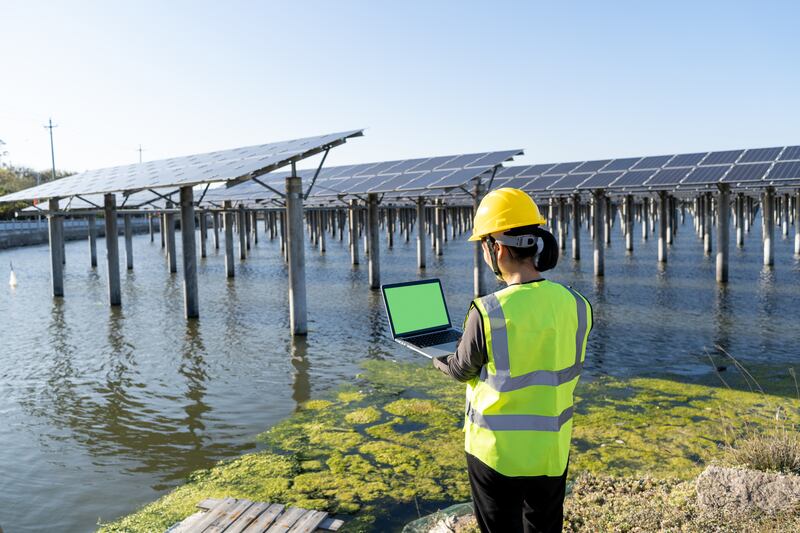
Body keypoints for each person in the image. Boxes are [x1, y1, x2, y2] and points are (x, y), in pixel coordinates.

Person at [433, 188, 592, 533]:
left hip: (495, 452)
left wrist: (436, 357)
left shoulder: (488, 311)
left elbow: (461, 369)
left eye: (484, 245)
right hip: (551, 447)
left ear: (498, 248)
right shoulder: (577, 304)